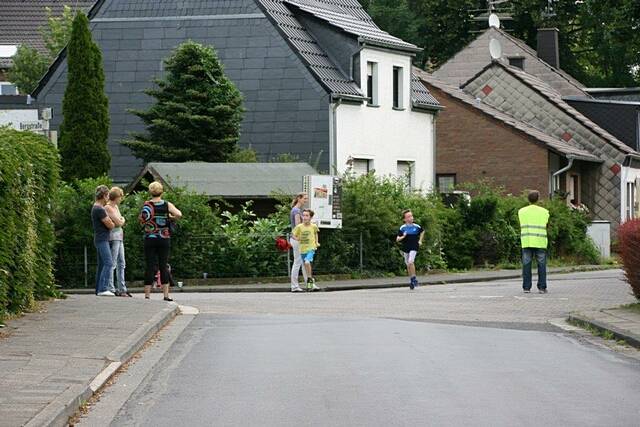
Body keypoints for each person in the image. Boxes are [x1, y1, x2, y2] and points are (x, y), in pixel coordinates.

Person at [139, 181, 182, 301]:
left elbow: (142, 220)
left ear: (150, 192)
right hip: (164, 238)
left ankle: (147, 295)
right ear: (161, 192)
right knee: (163, 265)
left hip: (150, 238)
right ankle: (166, 295)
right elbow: (179, 214)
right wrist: (170, 217)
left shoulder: (146, 205)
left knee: (149, 266)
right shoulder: (167, 204)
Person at [518, 190, 550, 294]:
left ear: (528, 199)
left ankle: (526, 288)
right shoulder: (545, 212)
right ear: (538, 199)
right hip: (540, 241)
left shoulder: (521, 211)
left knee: (526, 265)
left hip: (527, 241)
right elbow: (546, 224)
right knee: (541, 265)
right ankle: (542, 288)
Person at [105, 187, 131, 297]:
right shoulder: (108, 207)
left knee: (122, 263)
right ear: (116, 197)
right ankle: (111, 287)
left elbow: (118, 220)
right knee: (113, 263)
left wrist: (120, 220)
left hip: (120, 236)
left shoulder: (115, 206)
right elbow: (119, 222)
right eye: (120, 197)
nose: (121, 199)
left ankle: (122, 288)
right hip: (113, 237)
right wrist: (121, 220)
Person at [92, 185, 115, 296]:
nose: (108, 199)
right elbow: (110, 225)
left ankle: (98, 289)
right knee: (108, 263)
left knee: (102, 265)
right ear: (104, 196)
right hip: (102, 239)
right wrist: (113, 222)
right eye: (107, 196)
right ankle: (103, 289)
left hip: (100, 238)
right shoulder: (99, 209)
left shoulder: (96, 207)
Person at [292, 209, 320, 291]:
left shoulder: (313, 226)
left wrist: (316, 242)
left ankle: (310, 282)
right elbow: (293, 235)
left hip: (311, 248)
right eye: (303, 215)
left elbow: (316, 233)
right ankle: (310, 281)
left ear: (310, 217)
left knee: (307, 262)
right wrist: (297, 239)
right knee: (306, 267)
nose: (304, 217)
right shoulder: (299, 227)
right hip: (302, 249)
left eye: (307, 215)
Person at [396, 209, 424, 290]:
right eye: (408, 217)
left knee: (411, 261)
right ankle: (412, 280)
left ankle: (414, 279)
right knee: (408, 264)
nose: (411, 218)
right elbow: (397, 239)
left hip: (414, 246)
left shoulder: (417, 226)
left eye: (411, 216)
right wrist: (403, 236)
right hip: (406, 248)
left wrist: (420, 241)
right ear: (404, 219)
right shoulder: (402, 228)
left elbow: (422, 231)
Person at [289, 192, 309, 292]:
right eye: (305, 199)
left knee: (304, 262)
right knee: (298, 262)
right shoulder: (296, 211)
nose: (306, 200)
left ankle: (308, 284)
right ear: (299, 198)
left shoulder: (297, 210)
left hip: (297, 239)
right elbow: (298, 226)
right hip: (297, 240)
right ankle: (294, 286)